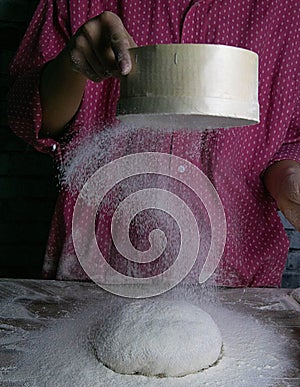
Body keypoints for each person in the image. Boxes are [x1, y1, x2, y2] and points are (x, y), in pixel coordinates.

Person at [8, 0, 300, 287]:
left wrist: (288, 180)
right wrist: (73, 66)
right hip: (97, 269)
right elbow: (29, 119)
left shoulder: (288, 12)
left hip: (236, 274)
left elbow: (291, 140)